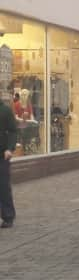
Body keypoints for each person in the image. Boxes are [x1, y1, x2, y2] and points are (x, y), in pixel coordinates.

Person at [0, 97, 17, 229]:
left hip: (2, 155)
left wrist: (9, 148)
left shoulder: (5, 110)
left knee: (3, 186)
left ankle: (8, 216)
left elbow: (12, 130)